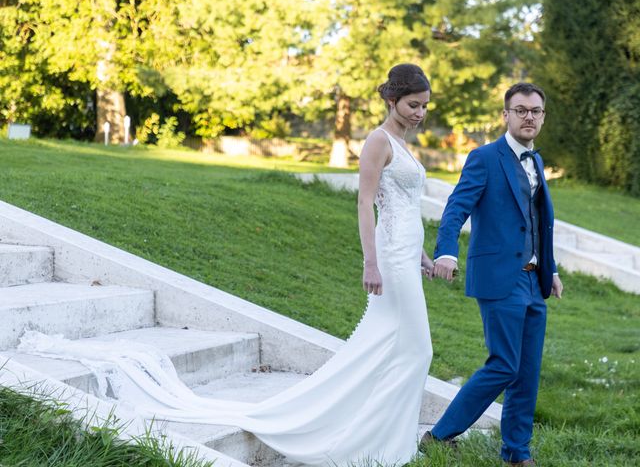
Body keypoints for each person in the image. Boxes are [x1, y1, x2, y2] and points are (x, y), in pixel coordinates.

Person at [19, 64, 435, 467]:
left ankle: (386, 445)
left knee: (396, 351)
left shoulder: (403, 145)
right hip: (388, 262)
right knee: (418, 350)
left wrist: (421, 254)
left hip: (405, 255)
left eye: (424, 107)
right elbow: (365, 203)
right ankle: (379, 446)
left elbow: (403, 206)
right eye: (414, 105)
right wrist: (370, 263)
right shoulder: (378, 141)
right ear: (393, 100)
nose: (420, 114)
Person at [424, 82, 563, 466]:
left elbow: (537, 223)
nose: (529, 117)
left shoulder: (536, 161)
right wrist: (447, 252)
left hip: (534, 280)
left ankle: (517, 454)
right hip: (500, 278)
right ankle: (439, 435)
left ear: (542, 116)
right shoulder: (484, 157)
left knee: (526, 373)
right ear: (505, 115)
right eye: (521, 110)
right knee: (504, 363)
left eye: (536, 111)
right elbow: (456, 208)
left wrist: (549, 270)